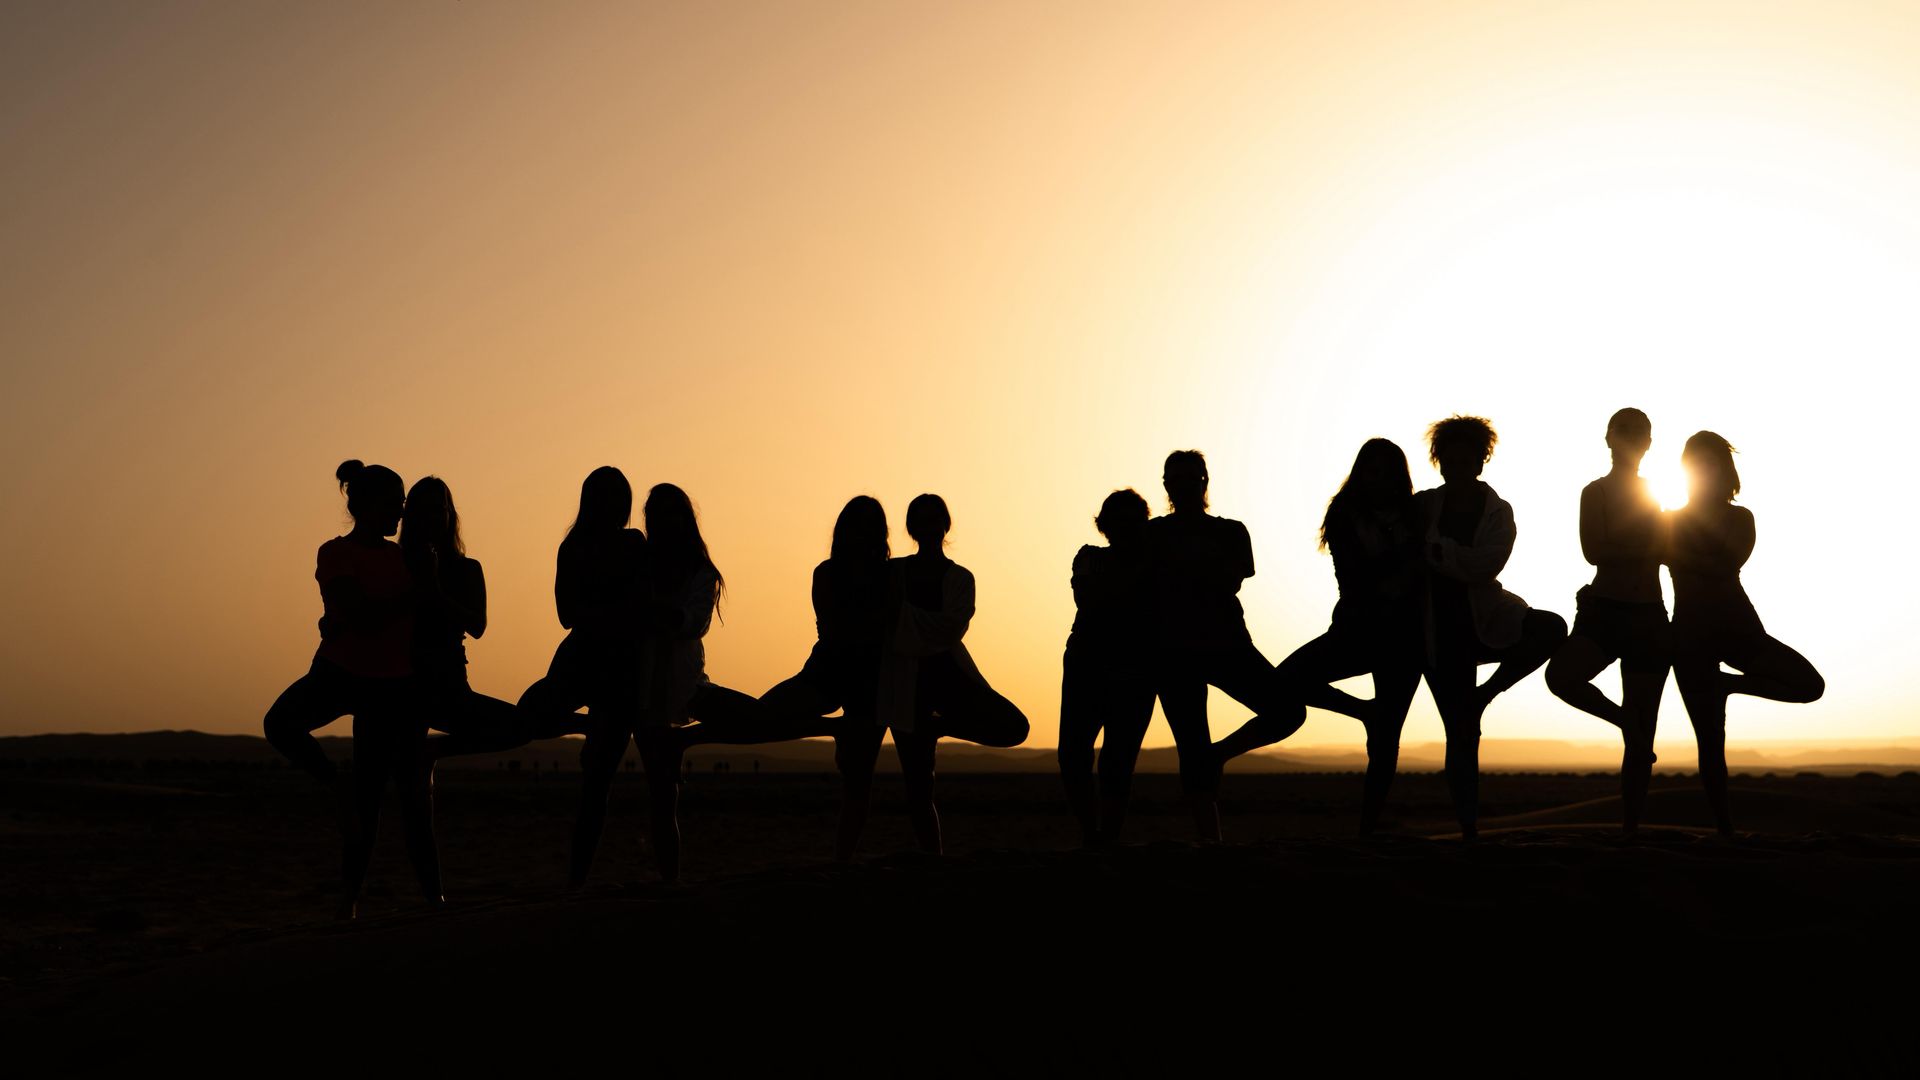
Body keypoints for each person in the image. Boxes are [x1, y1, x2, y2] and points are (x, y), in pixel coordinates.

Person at [1214, 439, 1423, 835]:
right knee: (1287, 680)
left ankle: (1368, 828)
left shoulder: (1417, 512)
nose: (1380, 478)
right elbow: (1357, 576)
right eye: (1372, 470)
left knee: (1386, 737)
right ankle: (1361, 712)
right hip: (1357, 628)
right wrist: (1402, 560)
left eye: (1387, 470)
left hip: (1404, 636)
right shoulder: (1346, 513)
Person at [262, 459, 439, 918]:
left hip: (390, 685)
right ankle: (332, 787)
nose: (399, 511)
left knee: (374, 800)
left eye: (402, 503)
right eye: (392, 502)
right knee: (280, 724)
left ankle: (363, 900)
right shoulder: (336, 552)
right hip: (339, 672)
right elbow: (361, 614)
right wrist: (414, 592)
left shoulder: (407, 557)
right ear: (361, 503)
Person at [679, 496, 893, 861]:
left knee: (859, 779)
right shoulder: (828, 572)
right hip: (829, 670)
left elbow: (873, 629)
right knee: (763, 716)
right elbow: (836, 628)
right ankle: (690, 737)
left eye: (868, 527)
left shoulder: (889, 575)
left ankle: (843, 861)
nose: (862, 534)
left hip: (870, 681)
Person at [1417, 417, 1567, 841]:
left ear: (1480, 463)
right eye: (1450, 460)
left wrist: (1438, 555)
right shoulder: (1423, 506)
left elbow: (1487, 565)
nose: (1458, 468)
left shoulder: (1498, 511)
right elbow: (1457, 562)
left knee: (1550, 627)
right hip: (1436, 628)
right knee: (1460, 732)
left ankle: (1488, 693)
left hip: (1488, 613)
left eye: (1468, 460)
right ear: (1440, 462)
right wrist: (1452, 560)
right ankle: (1469, 828)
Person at [1666, 431, 1823, 836]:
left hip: (1740, 629)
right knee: (1710, 742)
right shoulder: (1667, 518)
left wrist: (1678, 553)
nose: (1703, 467)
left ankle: (1728, 685)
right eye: (1695, 461)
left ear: (1724, 467)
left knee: (1808, 684)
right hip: (1688, 636)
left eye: (1711, 460)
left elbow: (1726, 562)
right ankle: (1724, 829)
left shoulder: (1740, 517)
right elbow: (1680, 562)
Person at [515, 467, 664, 886]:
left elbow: (579, 612)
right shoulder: (590, 545)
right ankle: (576, 880)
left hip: (608, 664)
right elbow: (574, 613)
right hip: (597, 661)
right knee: (537, 721)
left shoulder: (604, 545)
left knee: (597, 782)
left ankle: (576, 880)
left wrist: (599, 613)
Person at [1151, 450, 1302, 842]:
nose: (1184, 486)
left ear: (1205, 482)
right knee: (1191, 744)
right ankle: (1209, 840)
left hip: (1227, 645)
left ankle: (1217, 756)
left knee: (1287, 711)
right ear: (1166, 484)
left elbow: (1229, 579)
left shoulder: (1230, 530)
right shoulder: (1154, 534)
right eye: (1176, 479)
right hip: (1175, 653)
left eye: (1192, 478)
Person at [877, 494, 1030, 854]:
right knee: (918, 784)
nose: (928, 527)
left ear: (945, 525)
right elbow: (888, 623)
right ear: (912, 527)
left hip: (950, 677)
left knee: (1013, 726)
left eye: (935, 520)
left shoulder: (960, 578)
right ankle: (933, 859)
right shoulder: (892, 572)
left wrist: (902, 619)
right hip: (903, 682)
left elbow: (950, 628)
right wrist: (916, 627)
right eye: (921, 520)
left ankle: (942, 726)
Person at [1544, 409, 1669, 835]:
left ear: (1649, 443)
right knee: (1561, 676)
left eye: (1642, 434)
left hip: (1649, 616)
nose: (1634, 439)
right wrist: (1644, 543)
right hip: (1606, 610)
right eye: (1626, 431)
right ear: (1610, 438)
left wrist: (1629, 543)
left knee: (1641, 740)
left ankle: (1631, 831)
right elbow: (1594, 551)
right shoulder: (1594, 492)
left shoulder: (1658, 495)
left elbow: (1663, 551)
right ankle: (1622, 719)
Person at [400, 476, 525, 762]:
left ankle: (434, 751)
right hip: (403, 687)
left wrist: (435, 591)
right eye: (425, 510)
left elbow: (477, 626)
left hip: (450, 685)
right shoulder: (395, 563)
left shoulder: (467, 569)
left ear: (450, 516)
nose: (433, 517)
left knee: (521, 726)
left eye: (439, 509)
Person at [1057, 489, 1157, 846]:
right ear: (1104, 525)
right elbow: (1088, 599)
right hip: (1089, 665)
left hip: (1134, 669)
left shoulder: (1154, 562)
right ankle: (1091, 835)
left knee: (1117, 761)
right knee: (1073, 754)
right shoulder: (1089, 557)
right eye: (1117, 519)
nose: (1124, 527)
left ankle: (1107, 838)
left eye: (1132, 519)